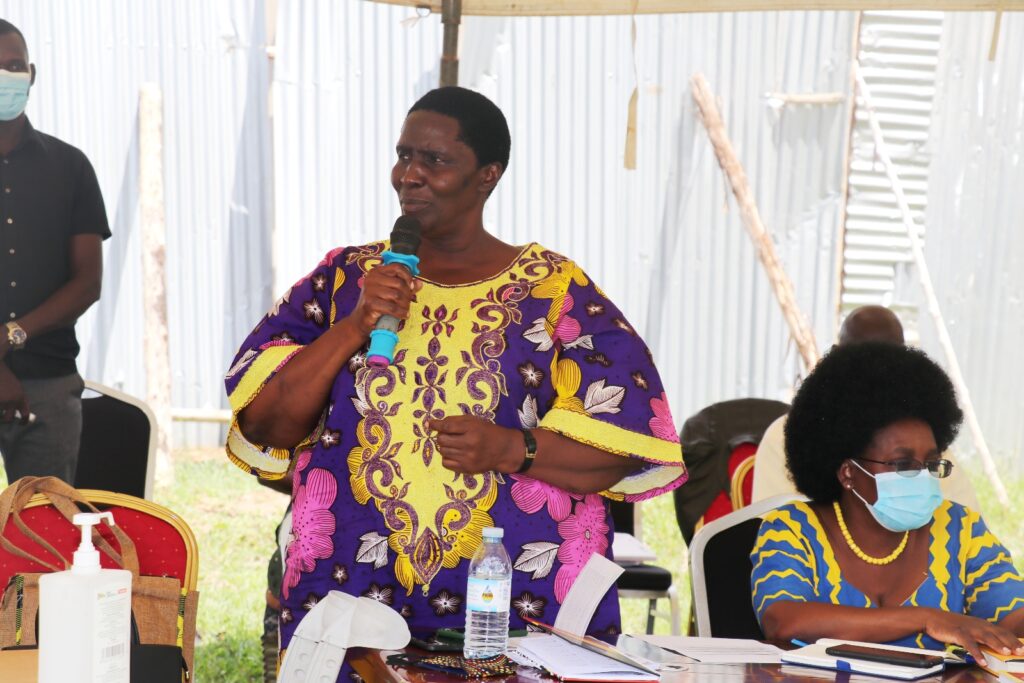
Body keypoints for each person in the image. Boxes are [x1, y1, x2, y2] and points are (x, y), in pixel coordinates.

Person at [224, 87, 687, 674]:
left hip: (516, 607)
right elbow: (264, 423)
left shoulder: (554, 290)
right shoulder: (344, 278)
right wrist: (354, 326)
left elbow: (623, 446)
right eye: (403, 155)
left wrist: (509, 448)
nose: (409, 176)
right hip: (350, 595)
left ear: (487, 176)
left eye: (435, 161)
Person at [750, 342, 1024, 664]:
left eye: (931, 463)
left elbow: (1012, 617)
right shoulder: (791, 529)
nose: (922, 476)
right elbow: (784, 621)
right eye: (903, 464)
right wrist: (926, 619)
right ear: (848, 473)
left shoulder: (959, 529)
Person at [0, 19, 109, 483]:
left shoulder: (71, 167)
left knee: (46, 540)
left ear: (32, 74)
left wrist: (8, 337)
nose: (6, 78)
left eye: (14, 66)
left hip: (47, 383)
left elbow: (87, 282)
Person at [750, 305, 978, 509]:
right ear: (837, 359)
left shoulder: (923, 442)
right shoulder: (783, 438)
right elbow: (773, 528)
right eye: (861, 361)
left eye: (888, 361)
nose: (874, 374)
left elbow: (967, 522)